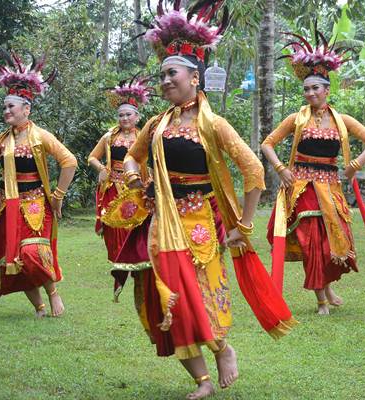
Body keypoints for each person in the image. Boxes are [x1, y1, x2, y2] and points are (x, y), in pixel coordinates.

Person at [124, 1, 295, 398]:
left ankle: (222, 348)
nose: (165, 80)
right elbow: (133, 157)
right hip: (159, 225)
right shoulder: (155, 124)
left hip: (198, 223)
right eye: (162, 74)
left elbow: (254, 172)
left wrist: (244, 225)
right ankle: (202, 380)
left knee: (194, 296)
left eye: (173, 73)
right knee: (163, 300)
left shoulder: (214, 125)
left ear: (195, 77)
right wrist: (134, 179)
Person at [262, 28, 365, 315]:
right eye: (306, 89)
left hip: (331, 188)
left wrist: (354, 166)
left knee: (331, 240)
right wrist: (280, 169)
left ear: (327, 90)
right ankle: (321, 299)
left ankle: (327, 288)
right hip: (302, 188)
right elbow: (267, 144)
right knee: (312, 241)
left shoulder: (341, 120)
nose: (310, 93)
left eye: (315, 88)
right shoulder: (296, 119)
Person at [0, 51, 77, 317]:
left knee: (33, 252)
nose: (6, 111)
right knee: (15, 259)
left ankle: (53, 294)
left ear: (26, 109)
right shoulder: (1, 141)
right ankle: (39, 307)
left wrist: (58, 195)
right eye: (4, 107)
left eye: (11, 106)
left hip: (36, 204)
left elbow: (69, 161)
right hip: (9, 206)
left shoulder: (40, 136)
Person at [87, 75, 153, 300]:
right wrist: (101, 169)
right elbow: (92, 157)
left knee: (133, 226)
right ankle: (118, 261)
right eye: (121, 115)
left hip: (135, 188)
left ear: (137, 116)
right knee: (113, 228)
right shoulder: (109, 137)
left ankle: (133, 260)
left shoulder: (144, 137)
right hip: (113, 188)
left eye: (128, 115)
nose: (124, 118)